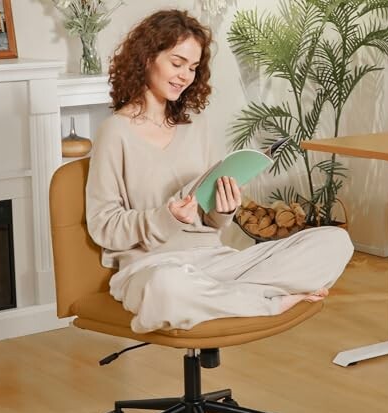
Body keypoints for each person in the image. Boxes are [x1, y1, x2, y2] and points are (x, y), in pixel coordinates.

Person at [86, 9, 354, 333]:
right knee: (167, 289)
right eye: (177, 62)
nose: (185, 75)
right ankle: (267, 302)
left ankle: (222, 299)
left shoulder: (195, 126)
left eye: (193, 67)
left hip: (214, 260)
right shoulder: (114, 132)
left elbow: (212, 220)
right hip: (152, 266)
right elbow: (103, 225)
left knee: (336, 242)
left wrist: (224, 210)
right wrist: (166, 217)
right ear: (146, 58)